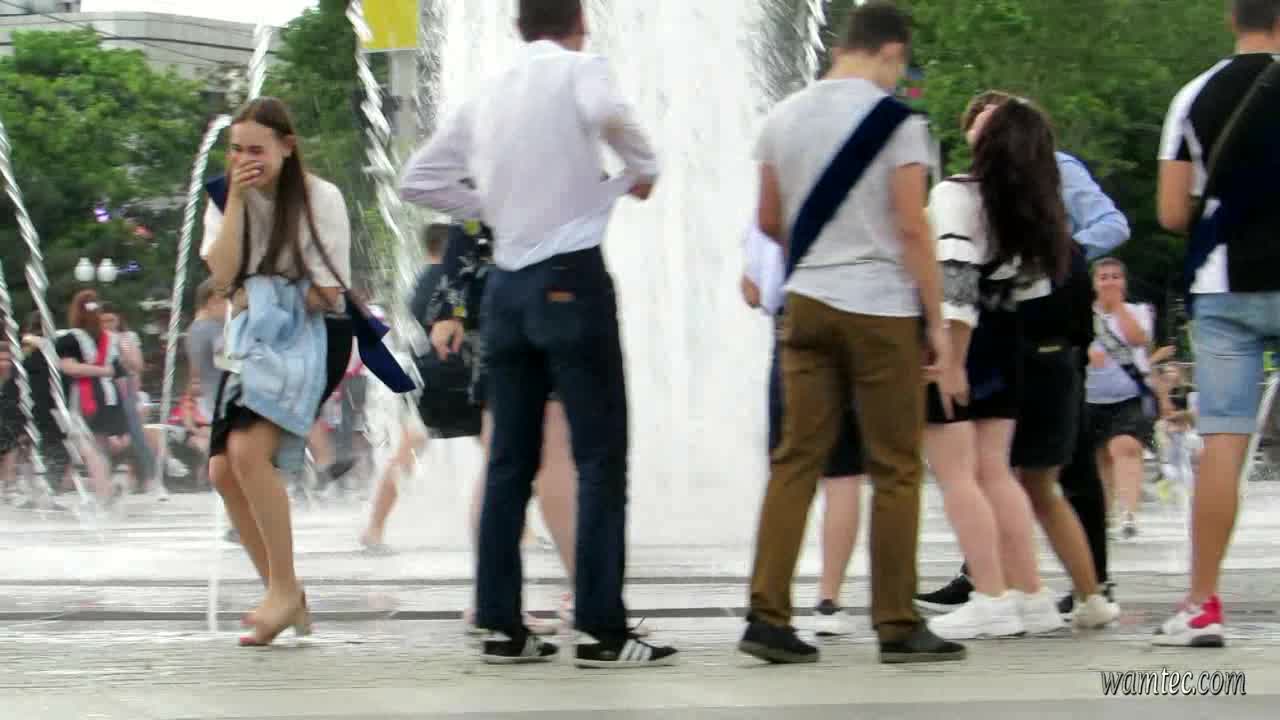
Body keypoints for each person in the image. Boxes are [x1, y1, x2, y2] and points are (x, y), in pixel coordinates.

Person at [400, 0, 675, 668]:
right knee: (599, 457)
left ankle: (503, 626)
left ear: (520, 26)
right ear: (580, 22)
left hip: (507, 291)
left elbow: (418, 180)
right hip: (570, 278)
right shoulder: (581, 69)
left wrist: (491, 206)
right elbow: (612, 117)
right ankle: (603, 631)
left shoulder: (486, 94)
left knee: (508, 461)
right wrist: (640, 171)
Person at [738, 1, 961, 665]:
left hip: (806, 305)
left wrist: (818, 256)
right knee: (894, 467)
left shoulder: (782, 116)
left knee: (796, 461)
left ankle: (767, 617)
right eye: (902, 65)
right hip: (879, 309)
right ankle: (896, 622)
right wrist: (936, 321)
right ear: (891, 51)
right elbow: (912, 225)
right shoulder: (899, 123)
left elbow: (768, 219)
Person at [916, 90, 1126, 625]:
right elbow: (1031, 285)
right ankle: (1031, 594)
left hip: (967, 340)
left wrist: (950, 357)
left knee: (958, 473)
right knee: (999, 474)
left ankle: (990, 597)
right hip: (1011, 338)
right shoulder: (1032, 206)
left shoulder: (958, 194)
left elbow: (957, 281)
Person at [201, 96, 353, 647]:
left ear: (287, 147)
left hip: (315, 337)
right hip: (253, 343)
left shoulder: (321, 198)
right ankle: (287, 597)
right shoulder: (226, 198)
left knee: (247, 452)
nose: (245, 160)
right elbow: (222, 276)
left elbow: (328, 292)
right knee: (221, 471)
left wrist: (258, 293)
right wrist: (237, 203)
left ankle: (283, 590)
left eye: (257, 150)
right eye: (236, 149)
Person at [1153, 0, 1280, 647]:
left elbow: (1172, 213)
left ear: (1233, 19)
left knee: (1224, 442)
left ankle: (1203, 605)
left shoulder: (1194, 96)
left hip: (1224, 286)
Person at [741, 224, 869, 637]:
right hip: (853, 327)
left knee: (789, 472)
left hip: (793, 329)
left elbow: (753, 290)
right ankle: (829, 601)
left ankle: (769, 602)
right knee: (844, 475)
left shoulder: (773, 207)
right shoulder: (860, 201)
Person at [1086, 257, 1154, 539]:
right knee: (1100, 457)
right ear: (1093, 283)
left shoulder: (1139, 311)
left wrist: (1117, 308)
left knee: (1125, 447)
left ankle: (1129, 513)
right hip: (1090, 397)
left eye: (1116, 276)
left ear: (1125, 282)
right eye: (1103, 277)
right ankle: (1105, 515)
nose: (1110, 282)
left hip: (1129, 395)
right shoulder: (1081, 314)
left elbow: (1138, 339)